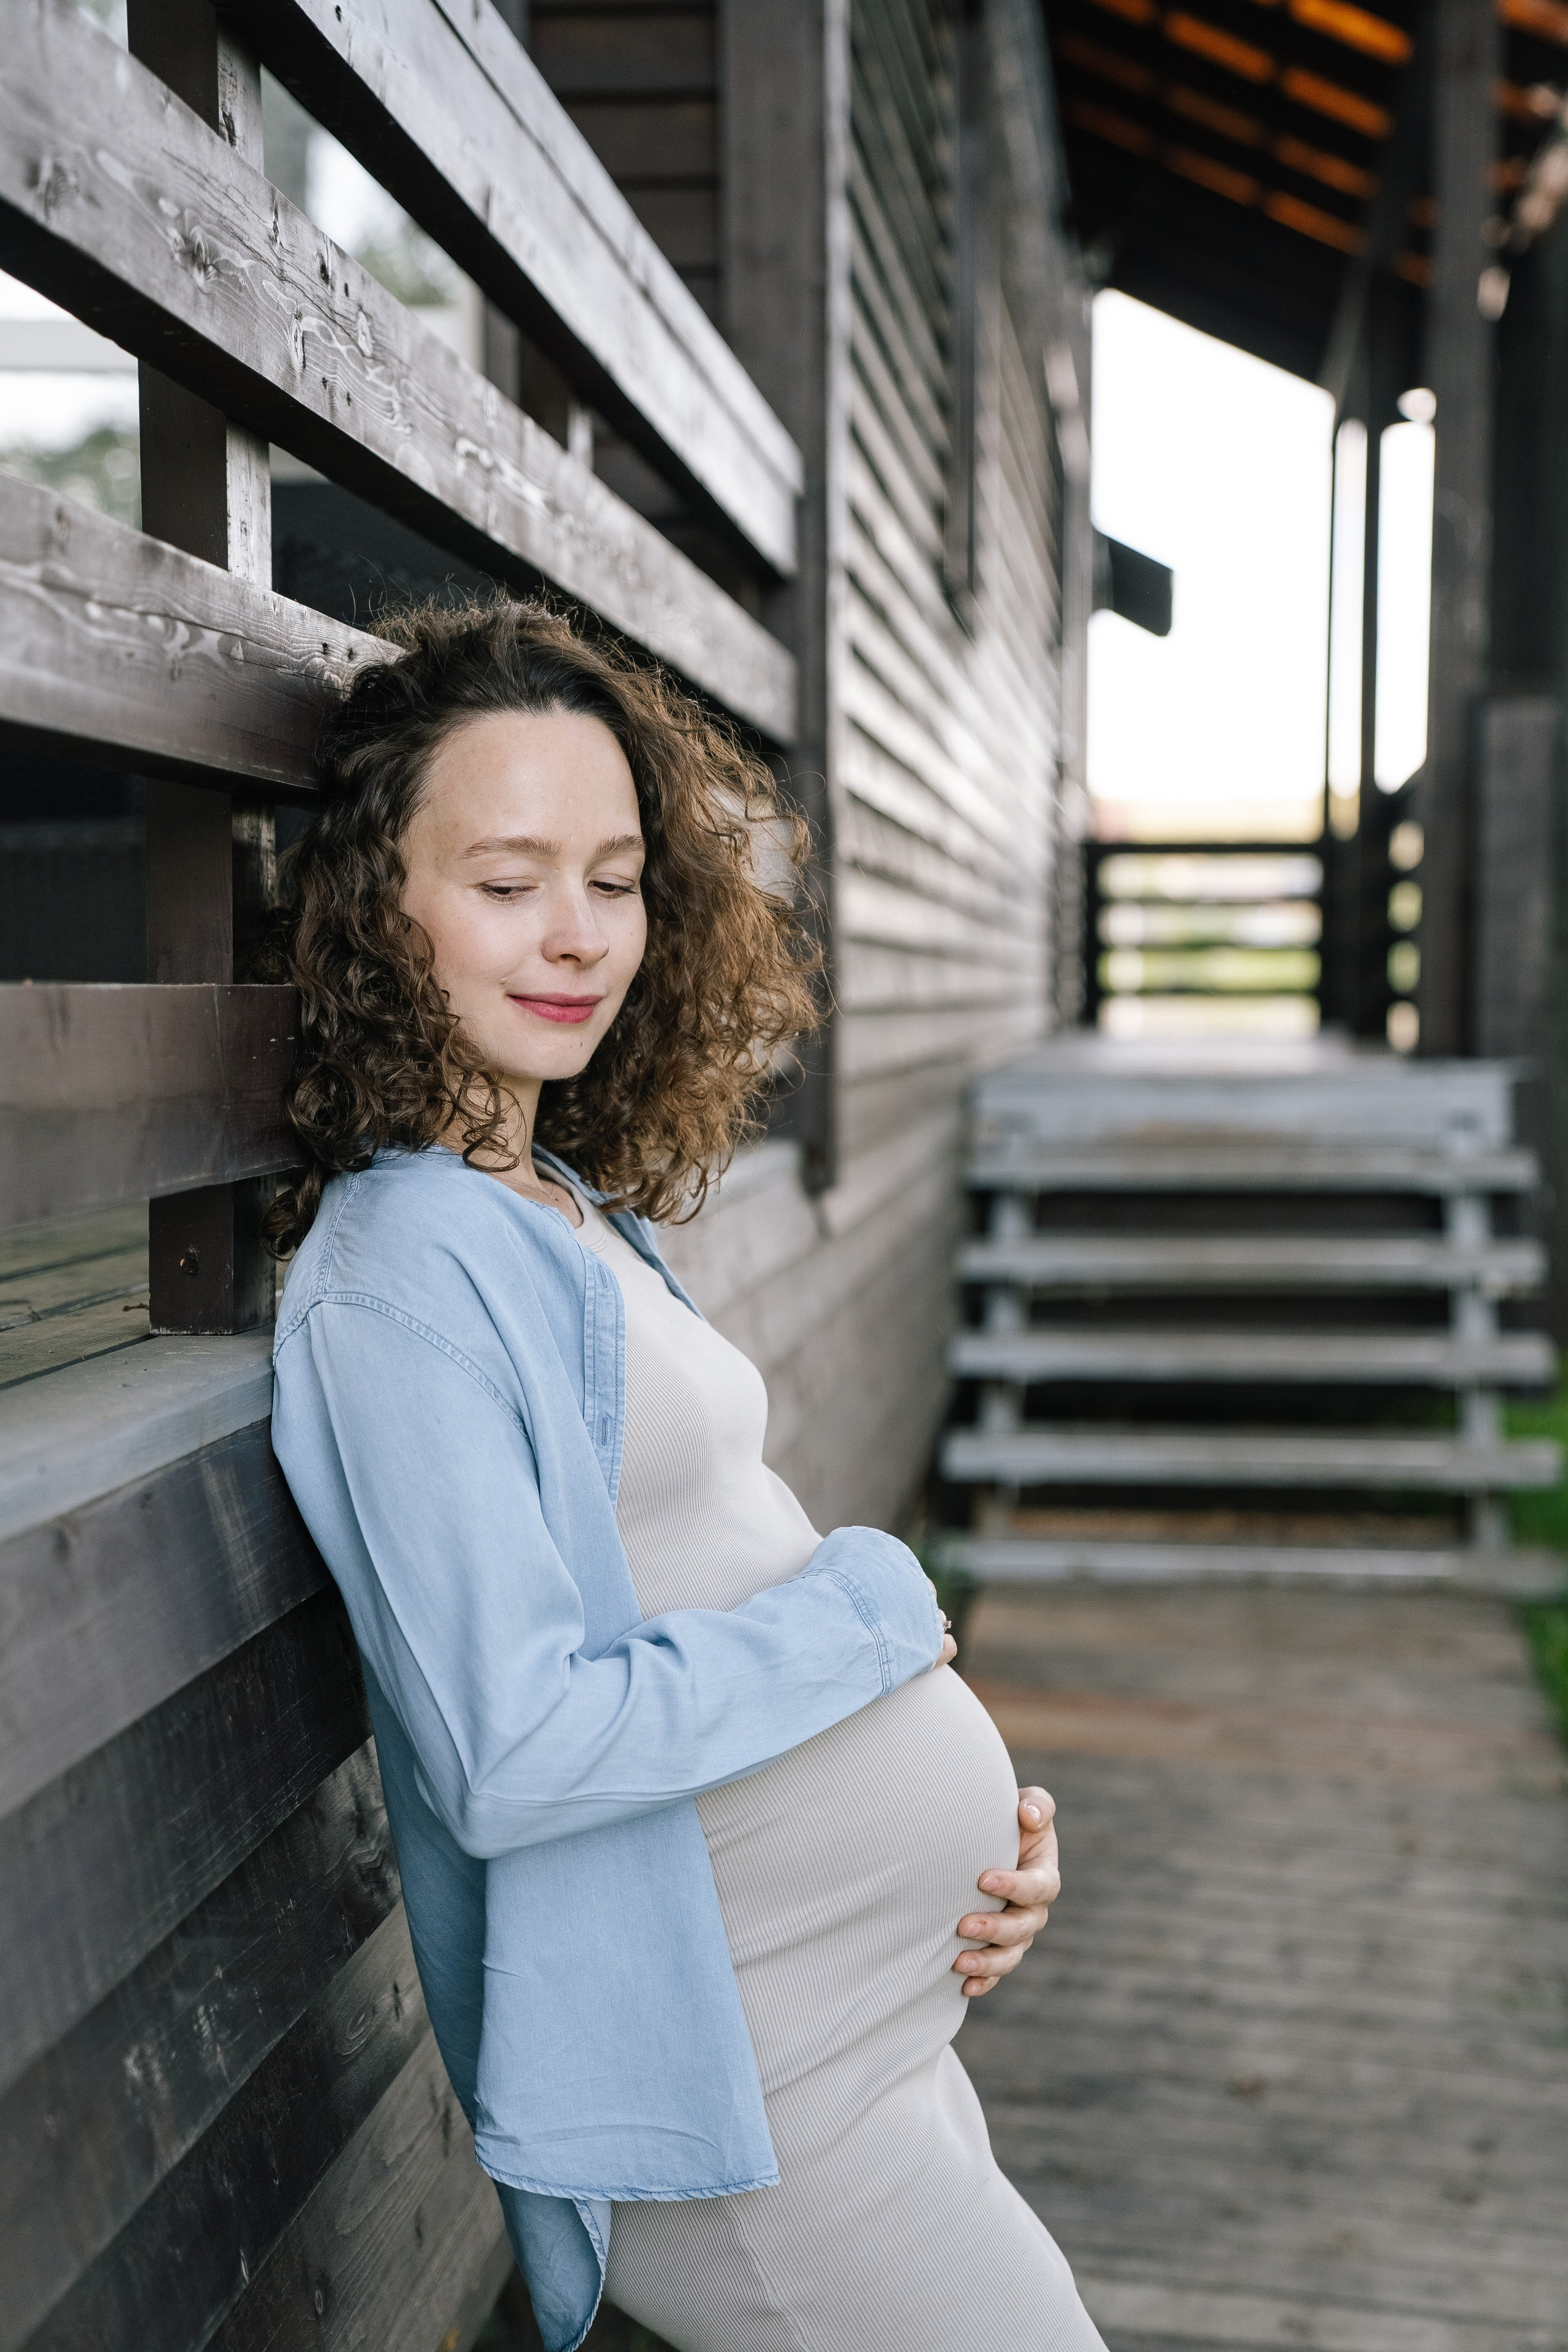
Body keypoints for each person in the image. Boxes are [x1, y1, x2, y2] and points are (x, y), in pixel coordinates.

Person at [268, 600, 1106, 2352]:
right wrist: (873, 1625)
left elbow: (706, 1567)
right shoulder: (403, 1268)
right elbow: (513, 1749)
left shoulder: (564, 1206)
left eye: (618, 875)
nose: (577, 937)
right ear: (379, 908)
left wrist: (972, 1845)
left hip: (859, 2038)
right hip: (753, 2104)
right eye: (507, 883)